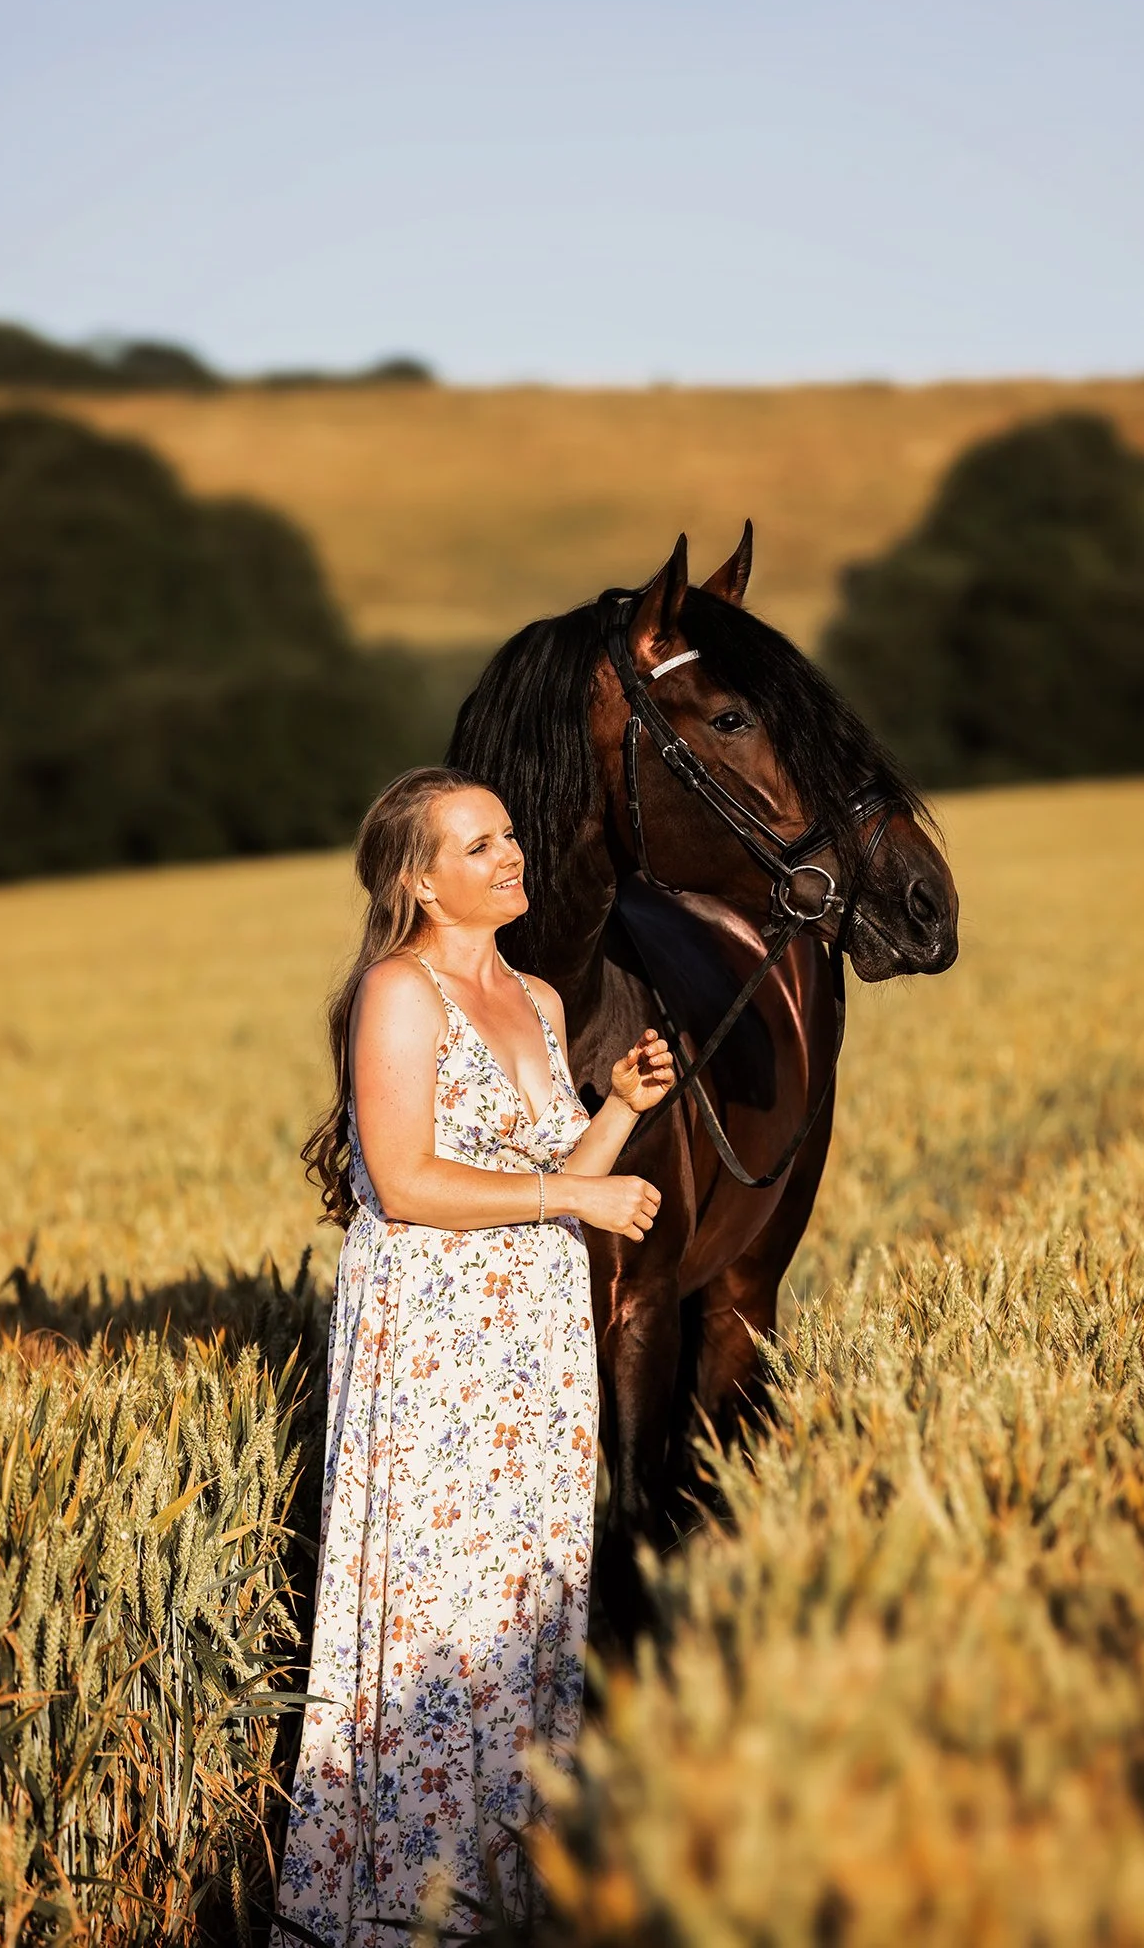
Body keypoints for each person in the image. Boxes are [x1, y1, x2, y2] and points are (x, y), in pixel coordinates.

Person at [276, 766, 672, 1948]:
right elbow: (406, 1184)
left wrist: (621, 1110)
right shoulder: (399, 993)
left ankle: (504, 1893)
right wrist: (583, 1193)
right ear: (419, 880)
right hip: (440, 1350)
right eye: (480, 844)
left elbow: (552, 1176)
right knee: (440, 1609)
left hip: (535, 1354)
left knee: (527, 1604)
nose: (512, 855)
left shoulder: (542, 1002)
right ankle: (403, 1911)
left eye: (507, 835)